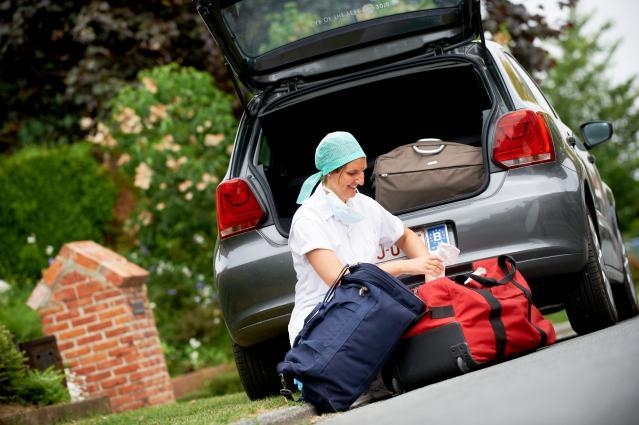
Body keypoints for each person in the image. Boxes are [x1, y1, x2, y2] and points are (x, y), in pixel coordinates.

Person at [287, 131, 445, 347]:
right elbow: (341, 280)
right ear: (330, 172)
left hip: (367, 311)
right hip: (322, 322)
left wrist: (429, 271)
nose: (361, 180)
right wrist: (404, 266)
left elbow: (404, 235)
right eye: (352, 173)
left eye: (363, 171)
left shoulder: (364, 205)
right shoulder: (308, 219)